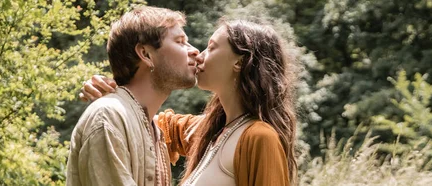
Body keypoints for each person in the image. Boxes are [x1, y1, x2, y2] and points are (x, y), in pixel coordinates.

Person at [81, 19, 297, 186]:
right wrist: (114, 94)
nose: (199, 55)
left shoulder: (260, 137)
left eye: (211, 48)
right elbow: (147, 124)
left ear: (239, 62)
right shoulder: (211, 129)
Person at [66, 6, 200, 186]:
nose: (195, 51)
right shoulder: (108, 117)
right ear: (145, 54)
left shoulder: (155, 131)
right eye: (180, 42)